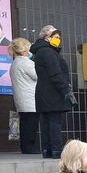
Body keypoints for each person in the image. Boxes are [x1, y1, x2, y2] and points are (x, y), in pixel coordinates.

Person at [31, 25, 74, 159]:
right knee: (54, 122)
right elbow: (55, 74)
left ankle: (47, 150)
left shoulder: (41, 51)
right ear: (46, 37)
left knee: (46, 122)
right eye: (55, 37)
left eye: (59, 37)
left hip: (43, 91)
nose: (58, 39)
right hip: (53, 92)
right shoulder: (49, 52)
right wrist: (66, 90)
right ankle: (56, 150)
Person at [8, 38, 39, 154]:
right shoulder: (26, 62)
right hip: (30, 98)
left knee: (25, 124)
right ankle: (30, 148)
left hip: (21, 99)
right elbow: (37, 76)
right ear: (24, 50)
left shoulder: (15, 63)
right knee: (31, 125)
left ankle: (25, 147)